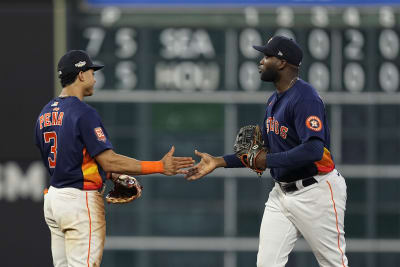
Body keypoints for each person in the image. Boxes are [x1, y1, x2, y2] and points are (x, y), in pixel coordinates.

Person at [185, 36, 348, 267]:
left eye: (267, 56)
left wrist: (266, 159)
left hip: (317, 191)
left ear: (281, 63)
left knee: (334, 264)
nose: (261, 62)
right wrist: (219, 162)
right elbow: (261, 153)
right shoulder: (274, 100)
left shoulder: (305, 98)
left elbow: (313, 149)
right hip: (281, 194)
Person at [34, 50, 194, 267]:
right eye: (91, 72)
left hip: (54, 200)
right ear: (81, 75)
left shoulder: (44, 114)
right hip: (79, 202)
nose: (94, 78)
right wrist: (159, 166)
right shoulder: (83, 112)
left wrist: (105, 174)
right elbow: (109, 160)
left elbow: (67, 158)